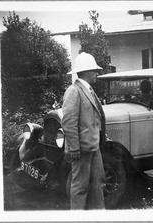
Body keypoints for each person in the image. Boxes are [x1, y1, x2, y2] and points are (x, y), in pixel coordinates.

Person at [62, 52, 105, 209]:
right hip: (81, 149)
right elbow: (68, 122)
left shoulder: (88, 90)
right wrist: (74, 148)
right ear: (86, 72)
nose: (97, 73)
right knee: (80, 187)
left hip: (93, 146)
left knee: (98, 184)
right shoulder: (74, 91)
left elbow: (93, 116)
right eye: (94, 70)